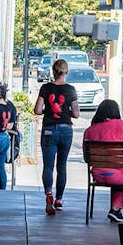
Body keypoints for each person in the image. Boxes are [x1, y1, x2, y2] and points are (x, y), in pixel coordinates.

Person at [34, 59, 80, 215]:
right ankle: (59, 199)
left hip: (48, 129)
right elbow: (76, 113)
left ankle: (48, 193)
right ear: (66, 72)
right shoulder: (71, 90)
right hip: (66, 130)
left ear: (53, 71)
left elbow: (38, 110)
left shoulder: (46, 88)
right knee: (62, 166)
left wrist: (49, 108)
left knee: (48, 165)